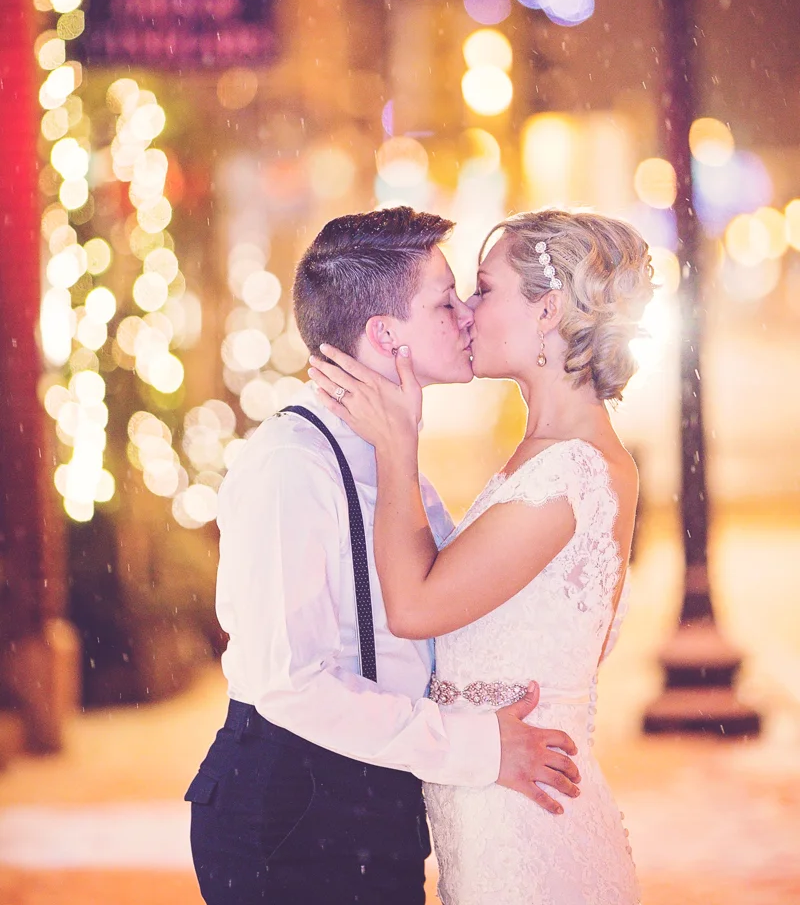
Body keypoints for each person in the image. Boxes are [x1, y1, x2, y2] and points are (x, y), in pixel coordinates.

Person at [186, 206, 580, 905]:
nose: (466, 316)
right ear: (383, 333)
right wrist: (478, 748)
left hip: (372, 799)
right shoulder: (291, 464)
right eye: (445, 301)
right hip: (289, 808)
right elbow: (290, 683)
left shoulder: (394, 465)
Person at [309, 208, 654, 905]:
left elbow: (414, 605)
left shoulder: (573, 473)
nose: (465, 311)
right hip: (494, 815)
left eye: (484, 290)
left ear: (548, 311)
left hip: (531, 830)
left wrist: (395, 446)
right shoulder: (547, 456)